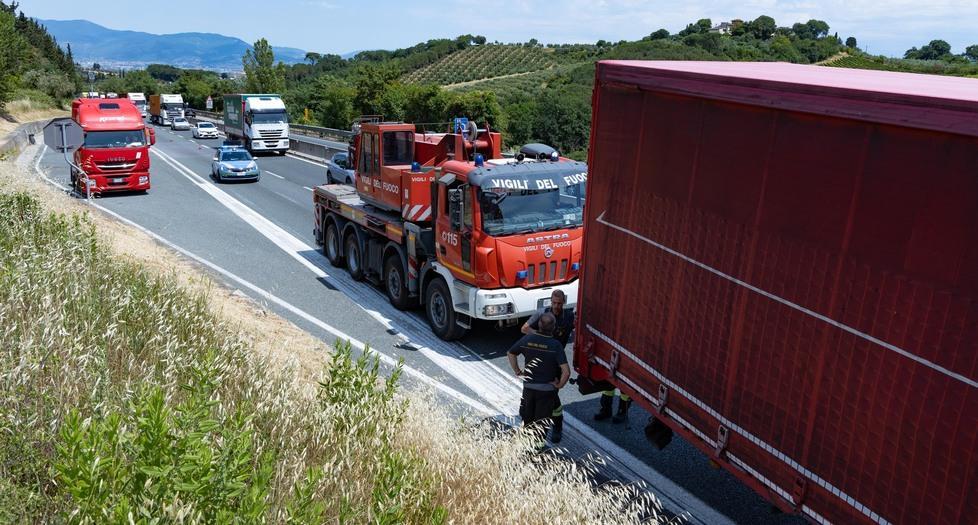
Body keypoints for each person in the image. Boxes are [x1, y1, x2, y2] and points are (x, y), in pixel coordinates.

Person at [508, 313, 570, 447]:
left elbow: (511, 353)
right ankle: (537, 453)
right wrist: (559, 385)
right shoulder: (556, 345)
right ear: (553, 327)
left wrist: (518, 371)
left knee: (527, 422)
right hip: (547, 392)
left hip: (529, 389)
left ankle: (527, 451)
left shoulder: (528, 339)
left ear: (539, 325)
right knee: (541, 426)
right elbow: (566, 372)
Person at [522, 290, 573, 443]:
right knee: (544, 396)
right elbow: (524, 329)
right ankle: (541, 427)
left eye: (559, 303)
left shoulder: (569, 316)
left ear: (564, 302)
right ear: (550, 301)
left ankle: (557, 425)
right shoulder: (542, 313)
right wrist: (540, 337)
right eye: (554, 303)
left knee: (552, 396)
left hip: (556, 361)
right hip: (540, 360)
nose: (556, 306)